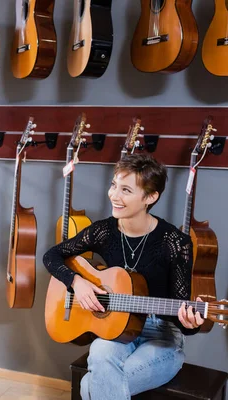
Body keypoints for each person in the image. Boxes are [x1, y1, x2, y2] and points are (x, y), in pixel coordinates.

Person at [43, 153, 204, 400]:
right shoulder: (104, 231)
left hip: (161, 335)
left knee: (90, 386)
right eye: (114, 185)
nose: (114, 196)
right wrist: (78, 282)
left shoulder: (174, 243)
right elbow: (52, 256)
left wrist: (191, 324)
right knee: (99, 351)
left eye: (126, 190)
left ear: (150, 197)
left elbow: (180, 307)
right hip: (118, 328)